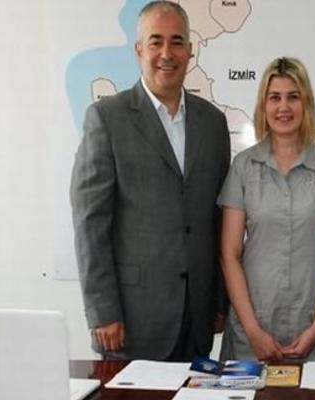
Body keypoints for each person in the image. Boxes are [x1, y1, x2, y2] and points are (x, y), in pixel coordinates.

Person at [70, 0, 230, 361]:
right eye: (156, 41)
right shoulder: (107, 118)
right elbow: (90, 223)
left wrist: (219, 299)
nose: (166, 53)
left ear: (190, 51)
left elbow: (217, 218)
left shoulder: (213, 123)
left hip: (197, 319)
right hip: (130, 322)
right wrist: (102, 311)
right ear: (139, 50)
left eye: (177, 42)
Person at [219, 57, 315, 362]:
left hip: (313, 327)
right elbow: (229, 254)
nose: (283, 107)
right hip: (252, 328)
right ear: (263, 106)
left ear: (306, 104)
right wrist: (253, 331)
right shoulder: (243, 167)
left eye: (293, 97)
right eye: (274, 98)